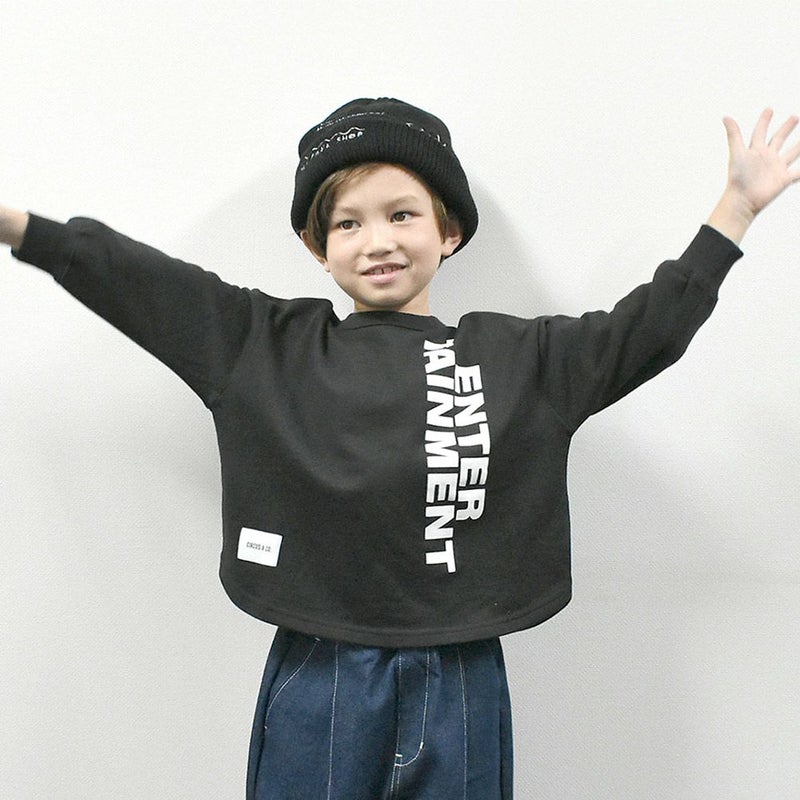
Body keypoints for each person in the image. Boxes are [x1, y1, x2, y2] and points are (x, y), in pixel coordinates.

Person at [1, 98, 798, 800]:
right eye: (348, 222)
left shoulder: (517, 361)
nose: (376, 240)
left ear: (449, 230)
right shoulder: (264, 347)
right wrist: (20, 228)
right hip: (321, 673)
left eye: (402, 214)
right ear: (318, 248)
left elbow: (647, 330)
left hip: (461, 676)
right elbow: (140, 282)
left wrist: (734, 209)